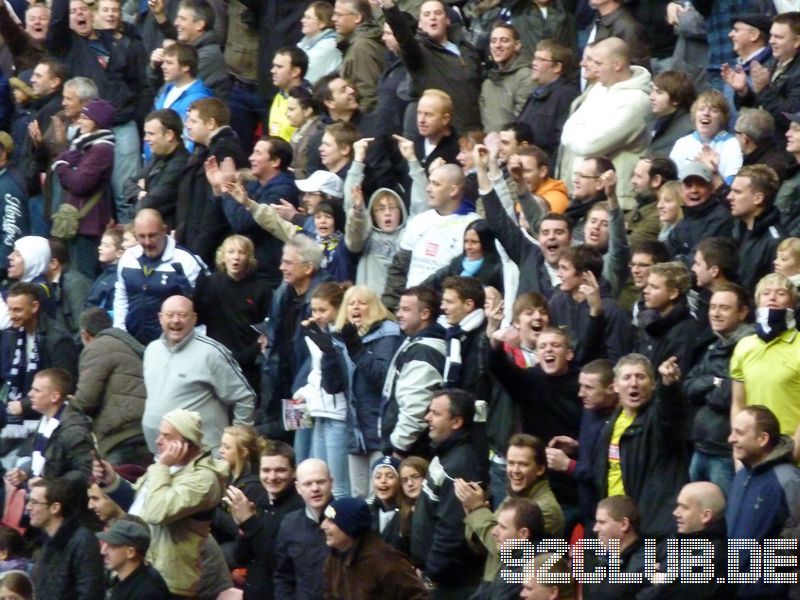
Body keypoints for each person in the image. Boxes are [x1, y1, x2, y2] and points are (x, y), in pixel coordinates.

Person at [97, 408, 230, 598]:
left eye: (166, 436)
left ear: (186, 443)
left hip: (170, 581)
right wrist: (111, 480)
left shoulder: (204, 480)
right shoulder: (167, 467)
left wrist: (162, 467)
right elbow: (139, 508)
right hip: (143, 570)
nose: (158, 441)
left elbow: (156, 512)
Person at [313, 285, 401, 496]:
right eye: (351, 303)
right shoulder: (342, 339)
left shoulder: (387, 335)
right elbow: (332, 387)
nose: (356, 307)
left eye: (362, 302)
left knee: (380, 495)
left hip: (379, 430)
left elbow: (381, 377)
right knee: (358, 495)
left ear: (374, 307)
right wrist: (328, 353)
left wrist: (356, 348)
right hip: (355, 431)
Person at [142, 294, 255, 454]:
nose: (175, 320)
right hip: (161, 454)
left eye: (182, 315)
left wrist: (236, 443)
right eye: (170, 315)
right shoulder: (152, 350)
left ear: (194, 319)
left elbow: (244, 398)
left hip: (204, 458)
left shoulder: (211, 353)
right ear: (160, 318)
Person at [594, 354, 688, 540]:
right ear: (615, 386)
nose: (634, 383)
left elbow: (669, 414)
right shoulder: (612, 423)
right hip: (618, 524)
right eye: (627, 377)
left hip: (652, 528)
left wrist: (669, 386)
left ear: (653, 384)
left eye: (641, 376)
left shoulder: (657, 418)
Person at [456, 434, 563, 592]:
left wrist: (478, 510)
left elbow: (503, 549)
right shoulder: (511, 498)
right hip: (492, 584)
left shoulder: (546, 509)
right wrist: (471, 511)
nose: (515, 470)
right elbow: (483, 547)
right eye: (511, 463)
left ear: (540, 469)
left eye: (523, 464)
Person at [559, 37, 651, 209]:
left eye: (599, 63)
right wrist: (581, 130)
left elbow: (588, 145)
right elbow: (568, 127)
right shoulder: (598, 88)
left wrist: (581, 129)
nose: (593, 68)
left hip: (617, 200)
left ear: (617, 65)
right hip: (584, 195)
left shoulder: (637, 101)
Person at [411, 388, 485, 597]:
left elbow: (451, 530)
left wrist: (431, 575)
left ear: (456, 422)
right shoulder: (445, 454)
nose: (427, 418)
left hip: (450, 584)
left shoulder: (459, 466)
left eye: (435, 413)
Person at [259, 236, 329, 441]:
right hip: (280, 383)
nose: (281, 268)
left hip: (305, 389)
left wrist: (296, 394)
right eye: (282, 261)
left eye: (288, 263)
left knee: (298, 444)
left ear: (308, 268)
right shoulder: (284, 293)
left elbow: (312, 362)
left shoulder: (322, 300)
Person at [727, 405, 800, 598]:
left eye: (739, 433)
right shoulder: (741, 476)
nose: (731, 439)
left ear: (763, 439)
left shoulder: (788, 480)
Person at [381, 0, 483, 133]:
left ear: (447, 20)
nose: (432, 17)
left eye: (438, 13)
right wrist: (390, 7)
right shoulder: (418, 53)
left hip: (474, 132)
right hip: (445, 135)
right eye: (427, 14)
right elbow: (403, 37)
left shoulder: (467, 50)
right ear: (420, 24)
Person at [209, 135, 298, 287]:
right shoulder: (255, 186)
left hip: (269, 276)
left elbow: (243, 223)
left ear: (275, 161)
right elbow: (226, 219)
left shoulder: (283, 190)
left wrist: (226, 189)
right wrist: (218, 191)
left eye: (258, 153)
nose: (251, 158)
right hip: (253, 273)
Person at [226, 440, 304, 600]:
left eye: (280, 470)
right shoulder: (258, 501)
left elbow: (278, 563)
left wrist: (249, 522)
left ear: (294, 472)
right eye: (266, 470)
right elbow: (240, 557)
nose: (272, 477)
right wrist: (242, 527)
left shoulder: (299, 509)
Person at [113, 208, 203, 345]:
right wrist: (120, 331)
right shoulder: (128, 258)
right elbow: (121, 294)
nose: (147, 242)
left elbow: (199, 308)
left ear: (164, 231)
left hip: (172, 346)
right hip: (132, 343)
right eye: (142, 236)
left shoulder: (185, 260)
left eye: (152, 235)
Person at [292, 281, 349, 497]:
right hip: (315, 411)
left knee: (337, 484)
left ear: (338, 308)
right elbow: (314, 373)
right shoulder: (314, 334)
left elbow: (337, 377)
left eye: (322, 310)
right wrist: (304, 392)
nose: (317, 315)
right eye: (314, 310)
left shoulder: (342, 336)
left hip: (337, 414)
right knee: (313, 471)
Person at [194, 234, 272, 393]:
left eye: (241, 252)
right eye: (231, 251)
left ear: (249, 257)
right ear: (223, 256)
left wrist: (252, 351)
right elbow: (198, 317)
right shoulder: (211, 284)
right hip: (216, 360)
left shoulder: (261, 288)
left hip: (249, 362)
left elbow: (268, 327)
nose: (236, 257)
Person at [175, 97, 248, 266]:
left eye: (193, 121)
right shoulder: (206, 150)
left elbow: (218, 207)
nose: (187, 125)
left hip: (210, 245)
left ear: (211, 123)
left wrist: (201, 249)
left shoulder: (224, 150)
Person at [72, 308, 148, 465]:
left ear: (85, 334)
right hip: (144, 430)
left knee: (113, 486)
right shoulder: (128, 343)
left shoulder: (96, 348)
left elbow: (86, 400)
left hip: (121, 436)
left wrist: (68, 404)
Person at [731, 273, 800, 445]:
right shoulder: (744, 346)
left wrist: (793, 452)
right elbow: (738, 404)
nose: (772, 298)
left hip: (790, 450)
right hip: (752, 450)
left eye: (781, 293)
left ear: (793, 302)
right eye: (766, 293)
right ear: (757, 300)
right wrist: (738, 450)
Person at [51, 97, 115, 278]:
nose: (80, 121)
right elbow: (69, 179)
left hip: (89, 224)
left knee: (82, 276)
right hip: (80, 222)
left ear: (97, 122)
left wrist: (62, 166)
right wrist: (66, 167)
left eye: (85, 118)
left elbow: (79, 183)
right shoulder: (86, 145)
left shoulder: (102, 149)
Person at [1, 282, 78, 430]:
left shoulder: (58, 339)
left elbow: (63, 387)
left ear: (35, 307)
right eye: (9, 310)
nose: (12, 316)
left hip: (45, 420)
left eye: (17, 310)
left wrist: (24, 405)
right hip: (14, 415)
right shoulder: (12, 334)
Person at [4, 368, 92, 497]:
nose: (30, 394)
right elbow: (42, 460)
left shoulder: (73, 430)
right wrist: (24, 473)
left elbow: (85, 472)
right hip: (44, 498)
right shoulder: (45, 420)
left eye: (37, 390)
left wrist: (50, 485)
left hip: (64, 505)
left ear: (55, 396)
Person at [381, 285, 446, 458]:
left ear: (425, 314)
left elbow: (415, 406)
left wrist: (398, 448)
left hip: (410, 453)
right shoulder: (414, 342)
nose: (399, 314)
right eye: (399, 309)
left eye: (406, 309)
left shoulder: (424, 351)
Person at [321, 496, 429, 599]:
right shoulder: (333, 559)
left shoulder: (385, 561)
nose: (323, 525)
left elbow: (418, 596)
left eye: (331, 521)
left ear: (349, 526)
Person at [638, 481, 729, 600]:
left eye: (684, 507)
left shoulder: (713, 557)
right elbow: (638, 565)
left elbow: (653, 596)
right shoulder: (678, 538)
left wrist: (657, 577)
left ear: (706, 516)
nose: (675, 512)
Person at [726, 11, 800, 139]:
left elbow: (790, 116)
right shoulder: (772, 62)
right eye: (771, 36)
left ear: (797, 41)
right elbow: (759, 107)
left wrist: (764, 90)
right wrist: (744, 92)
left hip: (783, 149)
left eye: (779, 37)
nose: (771, 41)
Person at [28, 478, 105, 599]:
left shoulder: (83, 541)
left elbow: (90, 594)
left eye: (34, 502)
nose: (28, 507)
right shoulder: (48, 541)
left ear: (55, 508)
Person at [273, 458, 334, 599]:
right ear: (298, 488)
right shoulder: (289, 524)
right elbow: (283, 576)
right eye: (307, 484)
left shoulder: (347, 519)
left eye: (320, 482)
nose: (315, 489)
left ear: (331, 482)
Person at [147, 0, 230, 100]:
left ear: (199, 25)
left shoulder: (209, 57)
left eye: (182, 19)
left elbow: (170, 93)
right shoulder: (190, 49)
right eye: (177, 17)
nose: (176, 23)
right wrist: (154, 67)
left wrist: (171, 60)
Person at [518, 39, 579, 166]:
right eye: (535, 58)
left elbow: (561, 143)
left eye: (541, 60)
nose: (534, 63)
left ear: (557, 67)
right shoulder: (535, 94)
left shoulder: (565, 96)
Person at [213, 425, 268, 566]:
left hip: (241, 548)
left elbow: (238, 529)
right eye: (221, 445)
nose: (220, 451)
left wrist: (211, 510)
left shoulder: (253, 487)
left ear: (243, 452)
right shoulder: (229, 475)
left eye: (227, 447)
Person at [127, 109, 190, 229]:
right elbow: (128, 183)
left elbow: (148, 204)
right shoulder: (157, 157)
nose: (145, 138)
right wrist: (141, 193)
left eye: (151, 134)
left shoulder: (180, 164)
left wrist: (142, 197)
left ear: (169, 135)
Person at [729, 164, 785, 292]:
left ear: (758, 198)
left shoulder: (776, 242)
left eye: (737, 192)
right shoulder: (735, 229)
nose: (729, 197)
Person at [666, 161, 734, 266]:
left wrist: (673, 264)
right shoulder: (683, 223)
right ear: (681, 190)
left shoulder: (720, 217)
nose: (694, 190)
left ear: (712, 189)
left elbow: (700, 258)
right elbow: (666, 251)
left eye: (700, 185)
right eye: (688, 186)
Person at [669, 89, 743, 185]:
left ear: (723, 118)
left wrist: (712, 172)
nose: (706, 113)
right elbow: (672, 183)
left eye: (714, 110)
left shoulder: (731, 143)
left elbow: (732, 186)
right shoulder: (682, 143)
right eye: (701, 109)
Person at [583, 495, 648, 600]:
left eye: (602, 522)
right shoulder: (598, 561)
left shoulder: (645, 566)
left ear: (624, 524)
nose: (595, 528)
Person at [96, 518, 172, 599]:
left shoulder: (149, 592)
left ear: (131, 552)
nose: (102, 551)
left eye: (111, 545)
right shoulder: (123, 579)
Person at [479, 22, 535, 134]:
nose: (497, 45)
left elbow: (524, 120)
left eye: (504, 40)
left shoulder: (526, 76)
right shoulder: (488, 82)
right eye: (493, 41)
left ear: (517, 45)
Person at [333, 0, 384, 112]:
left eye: (338, 15)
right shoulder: (357, 43)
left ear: (357, 17)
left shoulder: (362, 47)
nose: (333, 19)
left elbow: (369, 95)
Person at [647, 70, 695, 158]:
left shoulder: (688, 129)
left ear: (676, 100)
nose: (651, 97)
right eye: (652, 91)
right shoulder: (655, 120)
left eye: (659, 92)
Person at [735, 109, 793, 179]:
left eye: (736, 132)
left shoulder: (765, 171)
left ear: (745, 139)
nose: (735, 136)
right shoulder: (773, 156)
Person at [368, 455, 409, 553]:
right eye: (378, 477)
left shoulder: (409, 512)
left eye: (390, 476)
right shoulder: (367, 510)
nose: (383, 481)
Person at [267, 46, 308, 142]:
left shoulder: (307, 102)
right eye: (273, 66)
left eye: (279, 67)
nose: (272, 71)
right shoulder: (279, 95)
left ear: (295, 71)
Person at [297, 2, 342, 84]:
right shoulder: (306, 41)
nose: (302, 20)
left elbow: (306, 74)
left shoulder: (328, 45)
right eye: (304, 16)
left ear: (322, 23)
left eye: (308, 18)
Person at [85, 227, 123, 314]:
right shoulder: (105, 272)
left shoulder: (118, 278)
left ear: (119, 253)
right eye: (101, 244)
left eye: (106, 245)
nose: (99, 248)